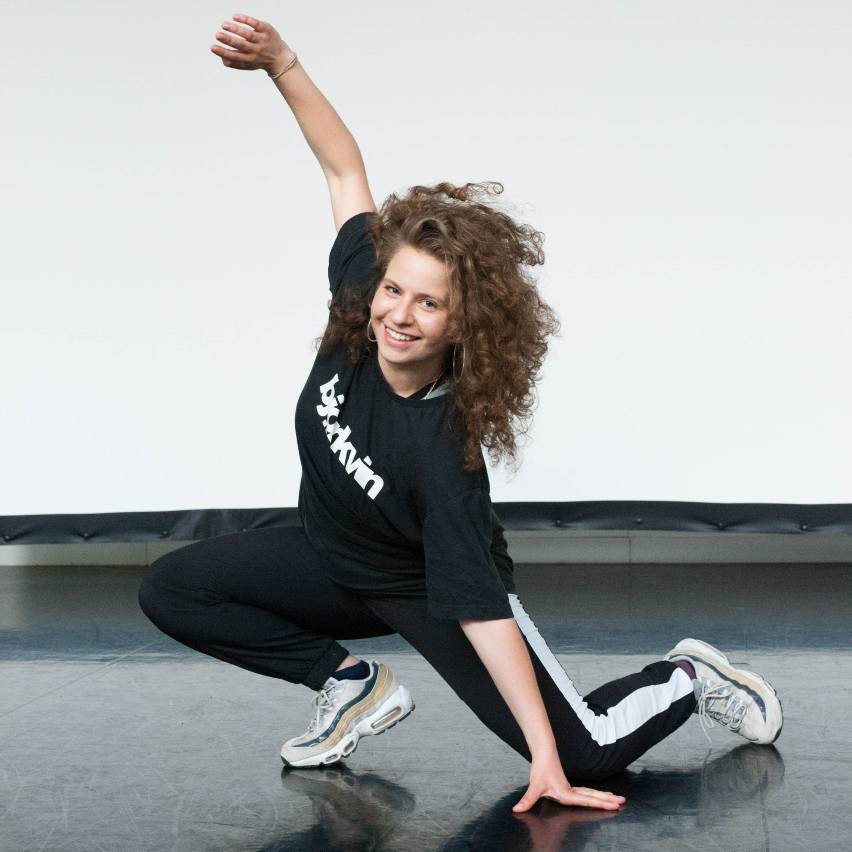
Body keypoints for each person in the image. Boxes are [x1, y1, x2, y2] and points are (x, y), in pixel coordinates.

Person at [137, 13, 783, 815]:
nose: (399, 315)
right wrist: (283, 64)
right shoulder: (359, 305)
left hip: (428, 588)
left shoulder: (444, 453)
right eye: (394, 290)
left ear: (463, 323)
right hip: (330, 560)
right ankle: (348, 683)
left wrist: (544, 758)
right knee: (173, 589)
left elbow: (480, 610)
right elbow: (343, 168)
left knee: (584, 753)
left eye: (429, 303)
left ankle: (689, 676)